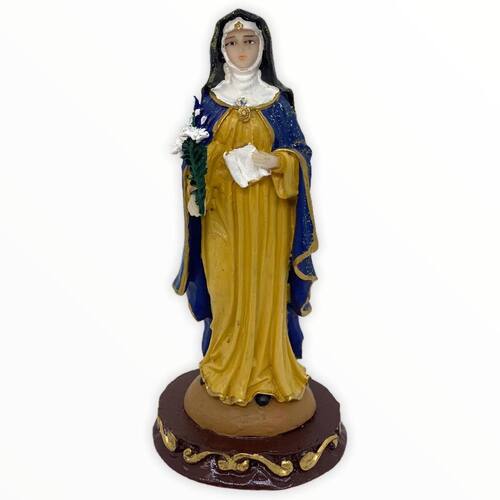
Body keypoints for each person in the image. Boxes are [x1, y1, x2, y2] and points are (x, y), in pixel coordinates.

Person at [173, 9, 318, 407]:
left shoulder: (277, 103)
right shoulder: (209, 103)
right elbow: (193, 156)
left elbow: (302, 154)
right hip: (222, 216)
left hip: (268, 217)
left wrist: (278, 162)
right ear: (221, 50)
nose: (241, 50)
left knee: (265, 288)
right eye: (233, 42)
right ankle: (224, 366)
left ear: (262, 47)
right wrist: (195, 185)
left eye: (249, 41)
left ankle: (267, 371)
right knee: (225, 288)